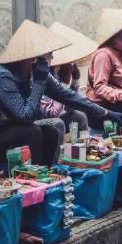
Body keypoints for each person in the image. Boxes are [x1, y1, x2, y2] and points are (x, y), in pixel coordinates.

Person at [0, 20, 122, 167]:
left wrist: (105, 112)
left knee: (50, 132)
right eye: (48, 54)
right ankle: (35, 178)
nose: (52, 57)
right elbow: (25, 115)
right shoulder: (3, 76)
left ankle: (48, 176)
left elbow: (68, 96)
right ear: (33, 58)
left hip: (7, 130)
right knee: (33, 131)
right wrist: (39, 83)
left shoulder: (38, 74)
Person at [37, 22, 97, 155]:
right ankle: (57, 160)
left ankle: (83, 153)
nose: (51, 57)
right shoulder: (41, 74)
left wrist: (74, 81)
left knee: (80, 117)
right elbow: (51, 112)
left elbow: (70, 107)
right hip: (39, 120)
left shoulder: (58, 71)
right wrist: (64, 82)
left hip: (56, 116)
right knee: (59, 123)